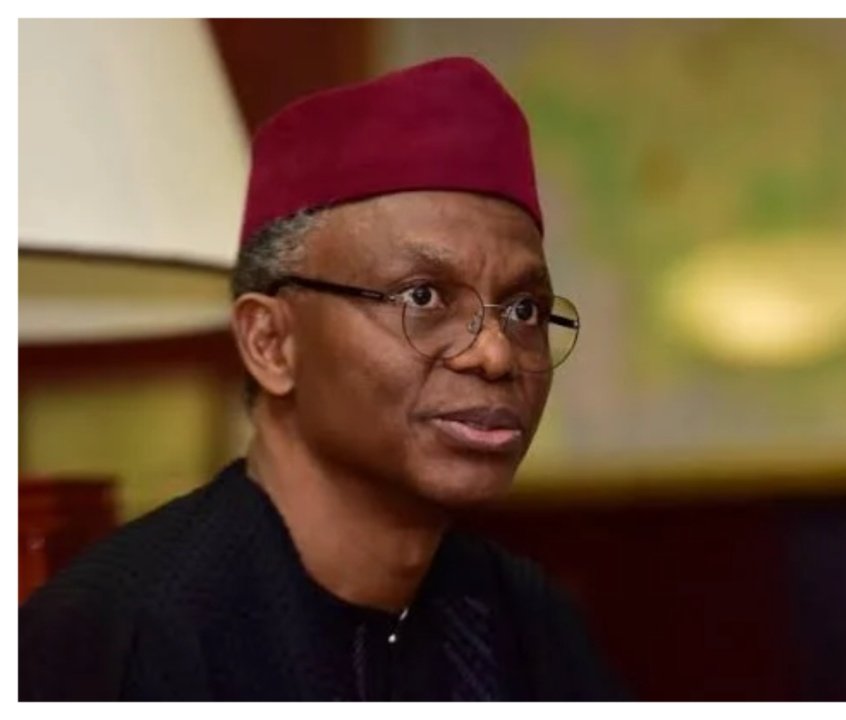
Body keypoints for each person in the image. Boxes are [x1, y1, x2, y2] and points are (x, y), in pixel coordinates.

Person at [20, 56, 623, 701]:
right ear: (270, 343)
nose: (496, 355)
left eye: (525, 310)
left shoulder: (524, 623)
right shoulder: (122, 634)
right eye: (422, 297)